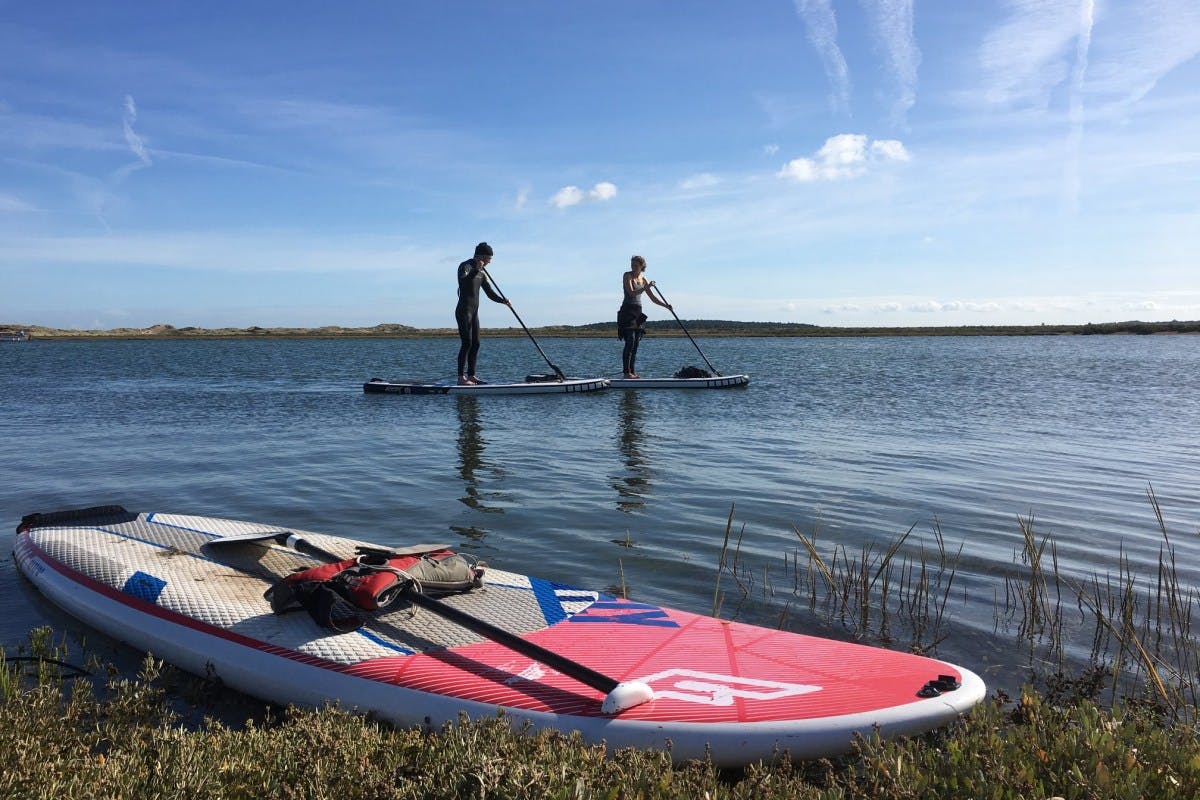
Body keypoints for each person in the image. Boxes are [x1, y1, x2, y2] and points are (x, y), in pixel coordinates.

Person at [455, 242, 509, 385]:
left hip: (474, 313)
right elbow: (463, 280)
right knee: (466, 343)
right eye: (488, 259)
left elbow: (490, 293)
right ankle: (461, 378)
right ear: (481, 257)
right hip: (463, 310)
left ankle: (471, 375)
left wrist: (503, 301)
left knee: (476, 343)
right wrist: (475, 270)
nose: (489, 262)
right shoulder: (465, 266)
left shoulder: (482, 273)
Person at [617, 255, 671, 378]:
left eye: (636, 265)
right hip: (627, 310)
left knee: (636, 343)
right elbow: (631, 292)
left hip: (638, 312)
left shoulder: (643, 279)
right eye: (632, 265)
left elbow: (652, 298)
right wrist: (645, 287)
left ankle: (633, 372)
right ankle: (626, 372)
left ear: (642, 266)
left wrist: (666, 306)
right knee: (629, 341)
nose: (633, 267)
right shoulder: (627, 275)